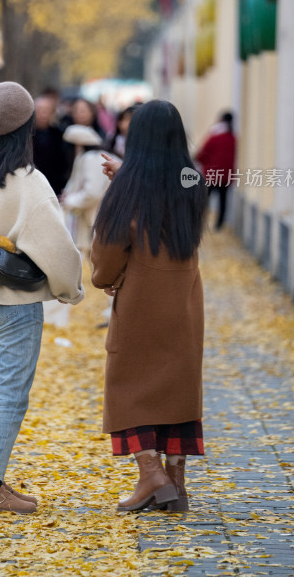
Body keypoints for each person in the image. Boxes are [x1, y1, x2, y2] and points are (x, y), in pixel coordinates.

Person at [0, 82, 84, 515]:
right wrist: (71, 289)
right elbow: (57, 246)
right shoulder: (28, 182)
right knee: (10, 395)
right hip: (16, 305)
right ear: (25, 128)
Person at [90, 100, 208, 513]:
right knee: (178, 388)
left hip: (141, 305)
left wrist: (108, 282)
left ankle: (150, 474)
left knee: (129, 388)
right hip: (185, 307)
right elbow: (170, 187)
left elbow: (106, 256)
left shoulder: (127, 192)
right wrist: (128, 175)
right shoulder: (195, 182)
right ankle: (175, 483)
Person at [60, 124, 112, 261]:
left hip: (97, 221)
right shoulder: (90, 156)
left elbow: (92, 193)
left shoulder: (91, 158)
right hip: (94, 221)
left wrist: (69, 200)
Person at [194, 110, 236, 230]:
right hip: (226, 175)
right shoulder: (232, 137)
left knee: (205, 199)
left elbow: (202, 154)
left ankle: (202, 223)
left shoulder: (215, 136)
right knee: (223, 200)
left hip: (212, 173)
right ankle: (219, 225)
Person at [32, 95, 69, 195]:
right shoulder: (27, 135)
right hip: (33, 183)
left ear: (52, 112)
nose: (43, 113)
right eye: (40, 110)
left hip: (55, 185)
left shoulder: (60, 134)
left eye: (46, 110)